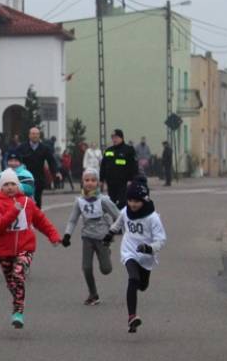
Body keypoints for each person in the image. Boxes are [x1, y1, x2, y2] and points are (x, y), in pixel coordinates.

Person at [0, 168, 61, 328]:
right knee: (11, 283)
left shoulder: (27, 202)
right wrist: (13, 211)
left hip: (25, 247)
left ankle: (18, 311)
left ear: (18, 185)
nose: (10, 187)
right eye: (6, 184)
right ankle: (18, 300)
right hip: (4, 251)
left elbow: (41, 221)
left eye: (13, 184)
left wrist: (53, 235)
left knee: (18, 274)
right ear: (0, 187)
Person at [108, 181, 166, 332]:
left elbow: (161, 240)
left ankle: (138, 285)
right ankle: (132, 317)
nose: (132, 204)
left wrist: (149, 248)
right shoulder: (125, 211)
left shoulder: (152, 217)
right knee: (133, 279)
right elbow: (118, 223)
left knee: (142, 285)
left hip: (146, 255)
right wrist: (110, 234)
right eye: (130, 200)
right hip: (129, 251)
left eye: (136, 201)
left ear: (144, 200)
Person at [62, 168, 120, 305]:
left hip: (102, 238)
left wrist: (113, 231)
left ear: (98, 183)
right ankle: (93, 294)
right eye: (87, 180)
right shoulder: (79, 201)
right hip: (87, 237)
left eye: (93, 180)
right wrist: (67, 235)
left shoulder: (103, 200)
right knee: (86, 267)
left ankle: (106, 252)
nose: (90, 183)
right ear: (82, 182)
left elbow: (118, 216)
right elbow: (72, 220)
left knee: (106, 270)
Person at [16, 127, 59, 208]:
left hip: (39, 178)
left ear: (39, 136)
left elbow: (51, 161)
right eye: (33, 134)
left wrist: (56, 172)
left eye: (37, 134)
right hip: (25, 178)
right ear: (29, 135)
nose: (35, 136)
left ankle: (37, 214)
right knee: (25, 199)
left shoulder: (44, 148)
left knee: (37, 199)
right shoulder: (22, 147)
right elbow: (15, 158)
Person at [101, 129, 138, 208]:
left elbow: (133, 166)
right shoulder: (108, 150)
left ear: (121, 138)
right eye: (113, 137)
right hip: (111, 182)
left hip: (123, 182)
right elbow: (103, 166)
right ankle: (115, 215)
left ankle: (121, 214)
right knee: (112, 202)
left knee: (122, 202)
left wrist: (131, 180)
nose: (114, 139)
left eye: (116, 137)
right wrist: (101, 179)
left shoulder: (128, 150)